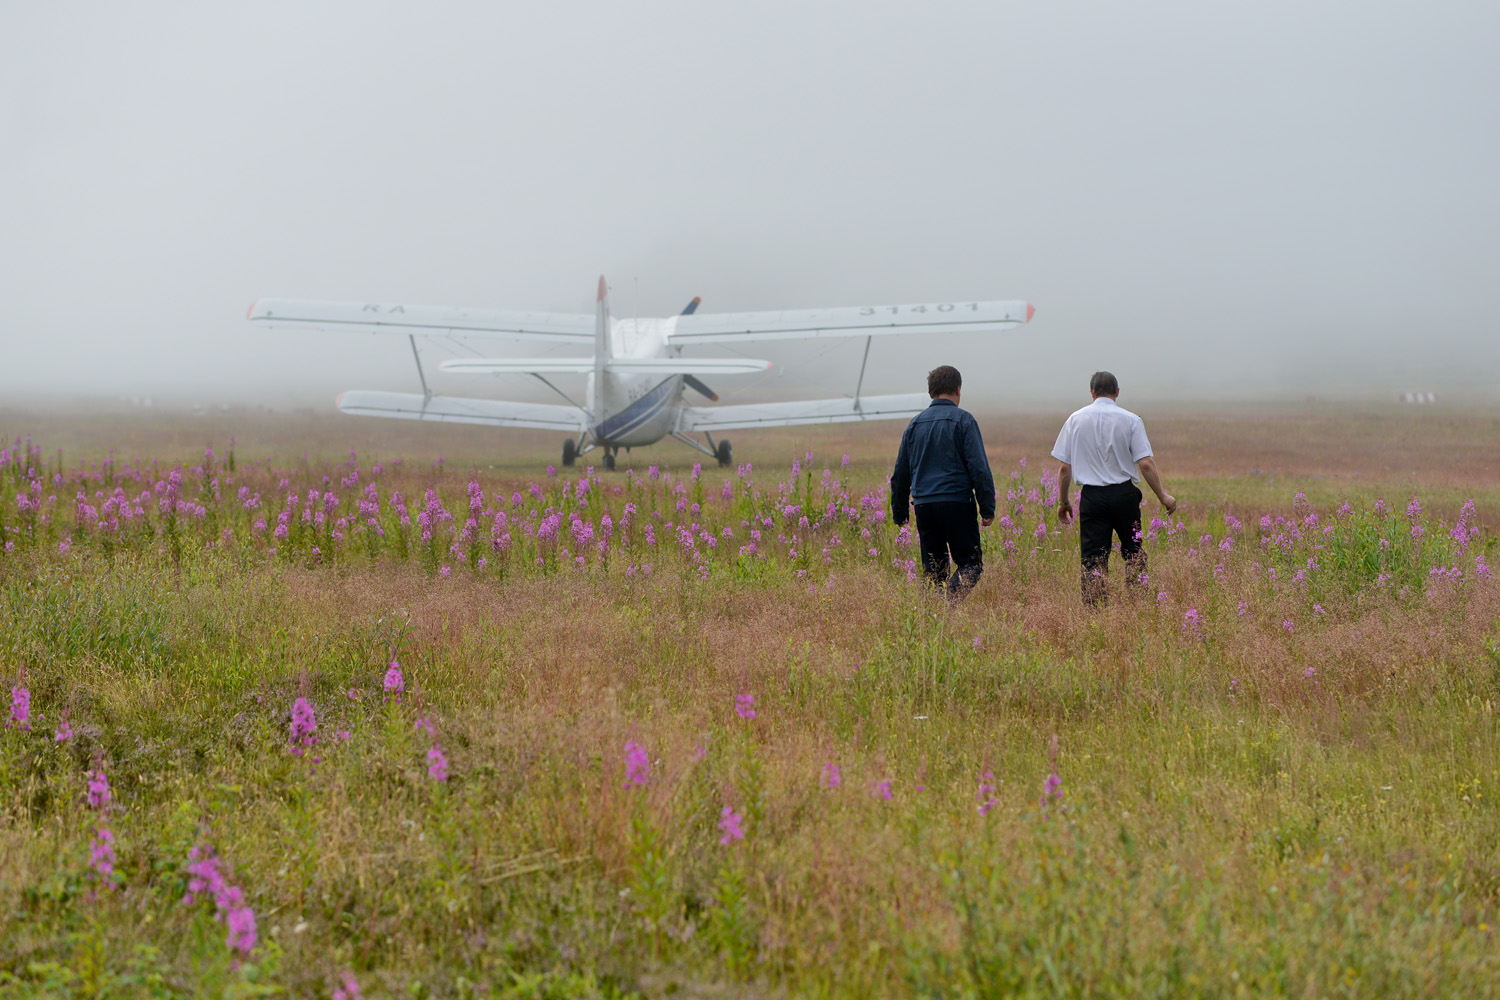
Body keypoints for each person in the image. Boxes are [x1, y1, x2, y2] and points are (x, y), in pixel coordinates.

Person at [1052, 371, 1176, 604]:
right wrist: (1163, 497)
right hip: (1124, 495)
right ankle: (1140, 603)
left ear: (1091, 392)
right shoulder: (1131, 420)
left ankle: (1095, 611)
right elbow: (1146, 464)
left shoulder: (1075, 419)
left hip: (1092, 497)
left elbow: (1063, 468)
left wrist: (1064, 502)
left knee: (1093, 558)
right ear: (1117, 392)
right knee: (1133, 552)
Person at [890, 365, 996, 598]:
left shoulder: (914, 424)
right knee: (970, 565)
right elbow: (979, 468)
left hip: (924, 505)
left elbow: (900, 474)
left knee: (934, 571)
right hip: (957, 502)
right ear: (958, 389)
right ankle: (946, 604)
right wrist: (987, 507)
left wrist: (900, 512)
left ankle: (935, 616)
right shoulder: (964, 421)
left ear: (931, 391)